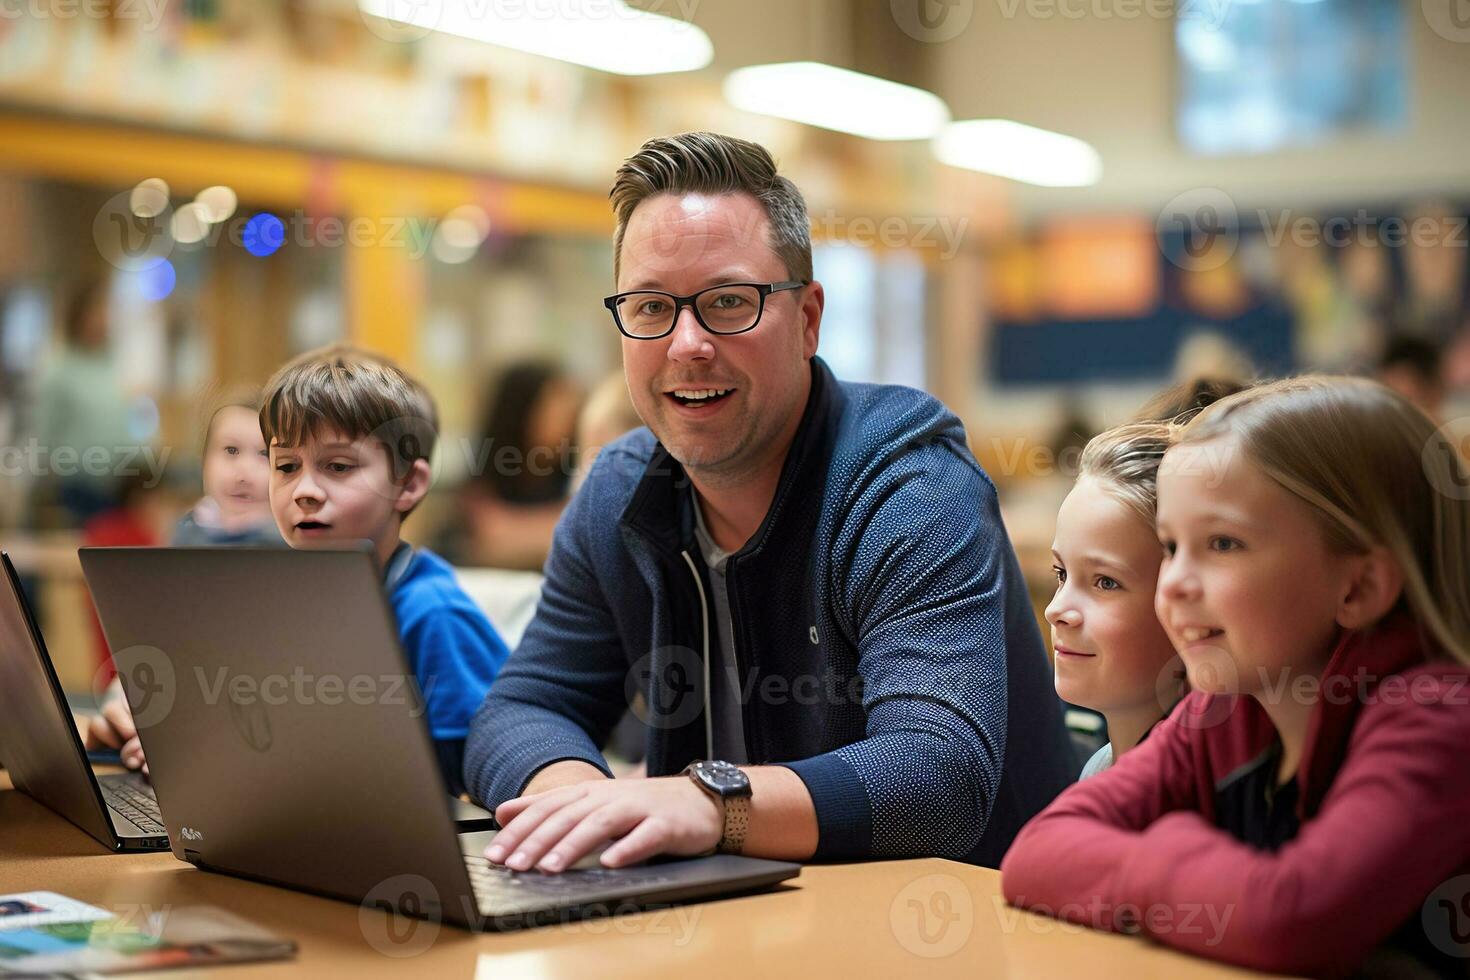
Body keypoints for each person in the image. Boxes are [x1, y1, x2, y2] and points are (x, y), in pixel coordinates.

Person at [464, 131, 1075, 875]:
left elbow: (936, 775)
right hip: (735, 922)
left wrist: (703, 803)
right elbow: (520, 710)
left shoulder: (909, 489)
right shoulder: (620, 492)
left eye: (729, 302)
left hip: (956, 935)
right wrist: (583, 805)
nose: (687, 343)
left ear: (809, 319)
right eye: (651, 307)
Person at [1001, 377, 1470, 975]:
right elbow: (1038, 855)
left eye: (1222, 544)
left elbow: (1296, 920)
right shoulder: (1226, 711)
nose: (1174, 585)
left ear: (1359, 586)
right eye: (1172, 546)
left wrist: (1156, 856)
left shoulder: (1437, 720)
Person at [1047, 380, 1242, 779]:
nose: (1055, 610)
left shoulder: (1201, 788)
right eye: (1061, 574)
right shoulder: (1098, 767)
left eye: (1105, 582)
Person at [171, 387, 282, 546]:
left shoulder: (296, 545)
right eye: (231, 450)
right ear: (203, 460)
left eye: (265, 454)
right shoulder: (186, 532)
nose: (244, 475)